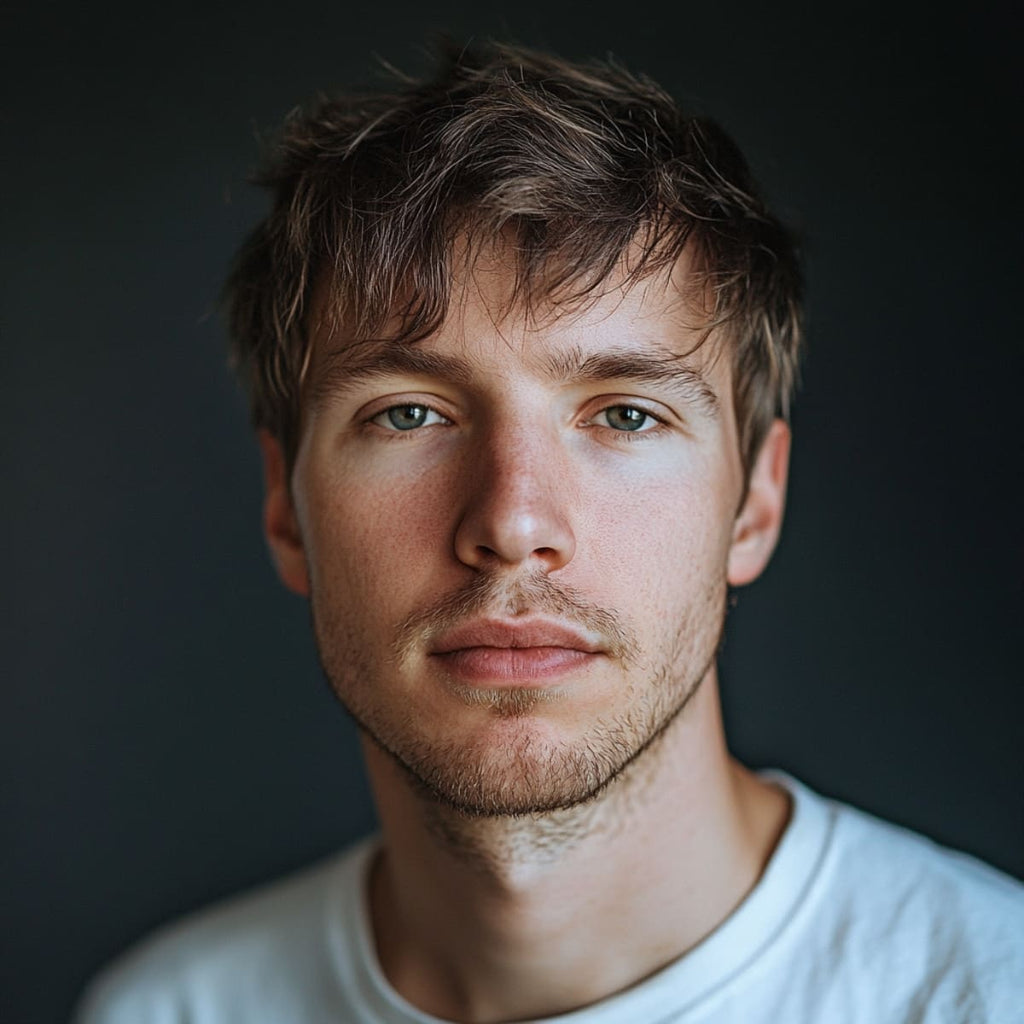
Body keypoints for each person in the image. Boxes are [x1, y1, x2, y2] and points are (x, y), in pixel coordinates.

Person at [75, 41, 1023, 1024]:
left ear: (754, 503)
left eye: (623, 415)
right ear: (286, 507)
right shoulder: (170, 1008)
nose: (514, 522)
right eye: (407, 414)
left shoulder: (986, 992)